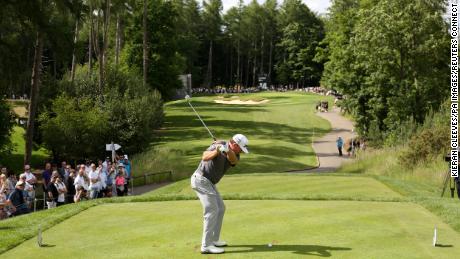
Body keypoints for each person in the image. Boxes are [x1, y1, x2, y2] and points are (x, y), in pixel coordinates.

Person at [191, 134, 249, 254]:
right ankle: (206, 245)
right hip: (201, 180)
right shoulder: (217, 145)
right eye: (240, 148)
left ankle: (214, 239)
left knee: (221, 208)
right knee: (211, 210)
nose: (241, 152)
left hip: (210, 182)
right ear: (234, 144)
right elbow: (204, 157)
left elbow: (233, 160)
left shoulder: (235, 154)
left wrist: (227, 151)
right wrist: (217, 151)